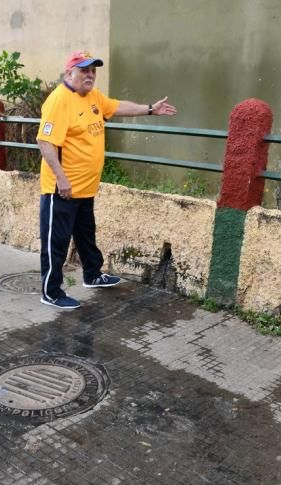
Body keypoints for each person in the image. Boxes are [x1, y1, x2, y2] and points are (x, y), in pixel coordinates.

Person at [37, 50, 177, 310]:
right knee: (55, 243)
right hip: (62, 190)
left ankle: (92, 275)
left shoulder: (92, 97)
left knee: (86, 236)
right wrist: (62, 179)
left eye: (93, 70)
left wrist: (149, 110)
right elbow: (45, 142)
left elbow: (116, 106)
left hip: (85, 188)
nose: (90, 75)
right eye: (84, 70)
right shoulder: (59, 101)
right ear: (70, 73)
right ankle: (51, 292)